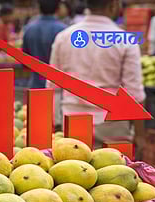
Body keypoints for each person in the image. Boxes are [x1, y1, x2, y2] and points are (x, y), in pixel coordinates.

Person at [47, 0, 146, 150]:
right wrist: (139, 135)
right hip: (112, 126)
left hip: (71, 121)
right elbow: (134, 94)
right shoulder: (125, 40)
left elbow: (52, 87)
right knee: (113, 171)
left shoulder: (63, 37)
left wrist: (55, 124)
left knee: (75, 171)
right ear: (113, 5)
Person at [23, 0, 67, 89]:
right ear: (58, 9)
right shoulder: (64, 31)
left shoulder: (29, 29)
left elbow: (24, 60)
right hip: (57, 86)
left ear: (39, 8)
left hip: (35, 85)